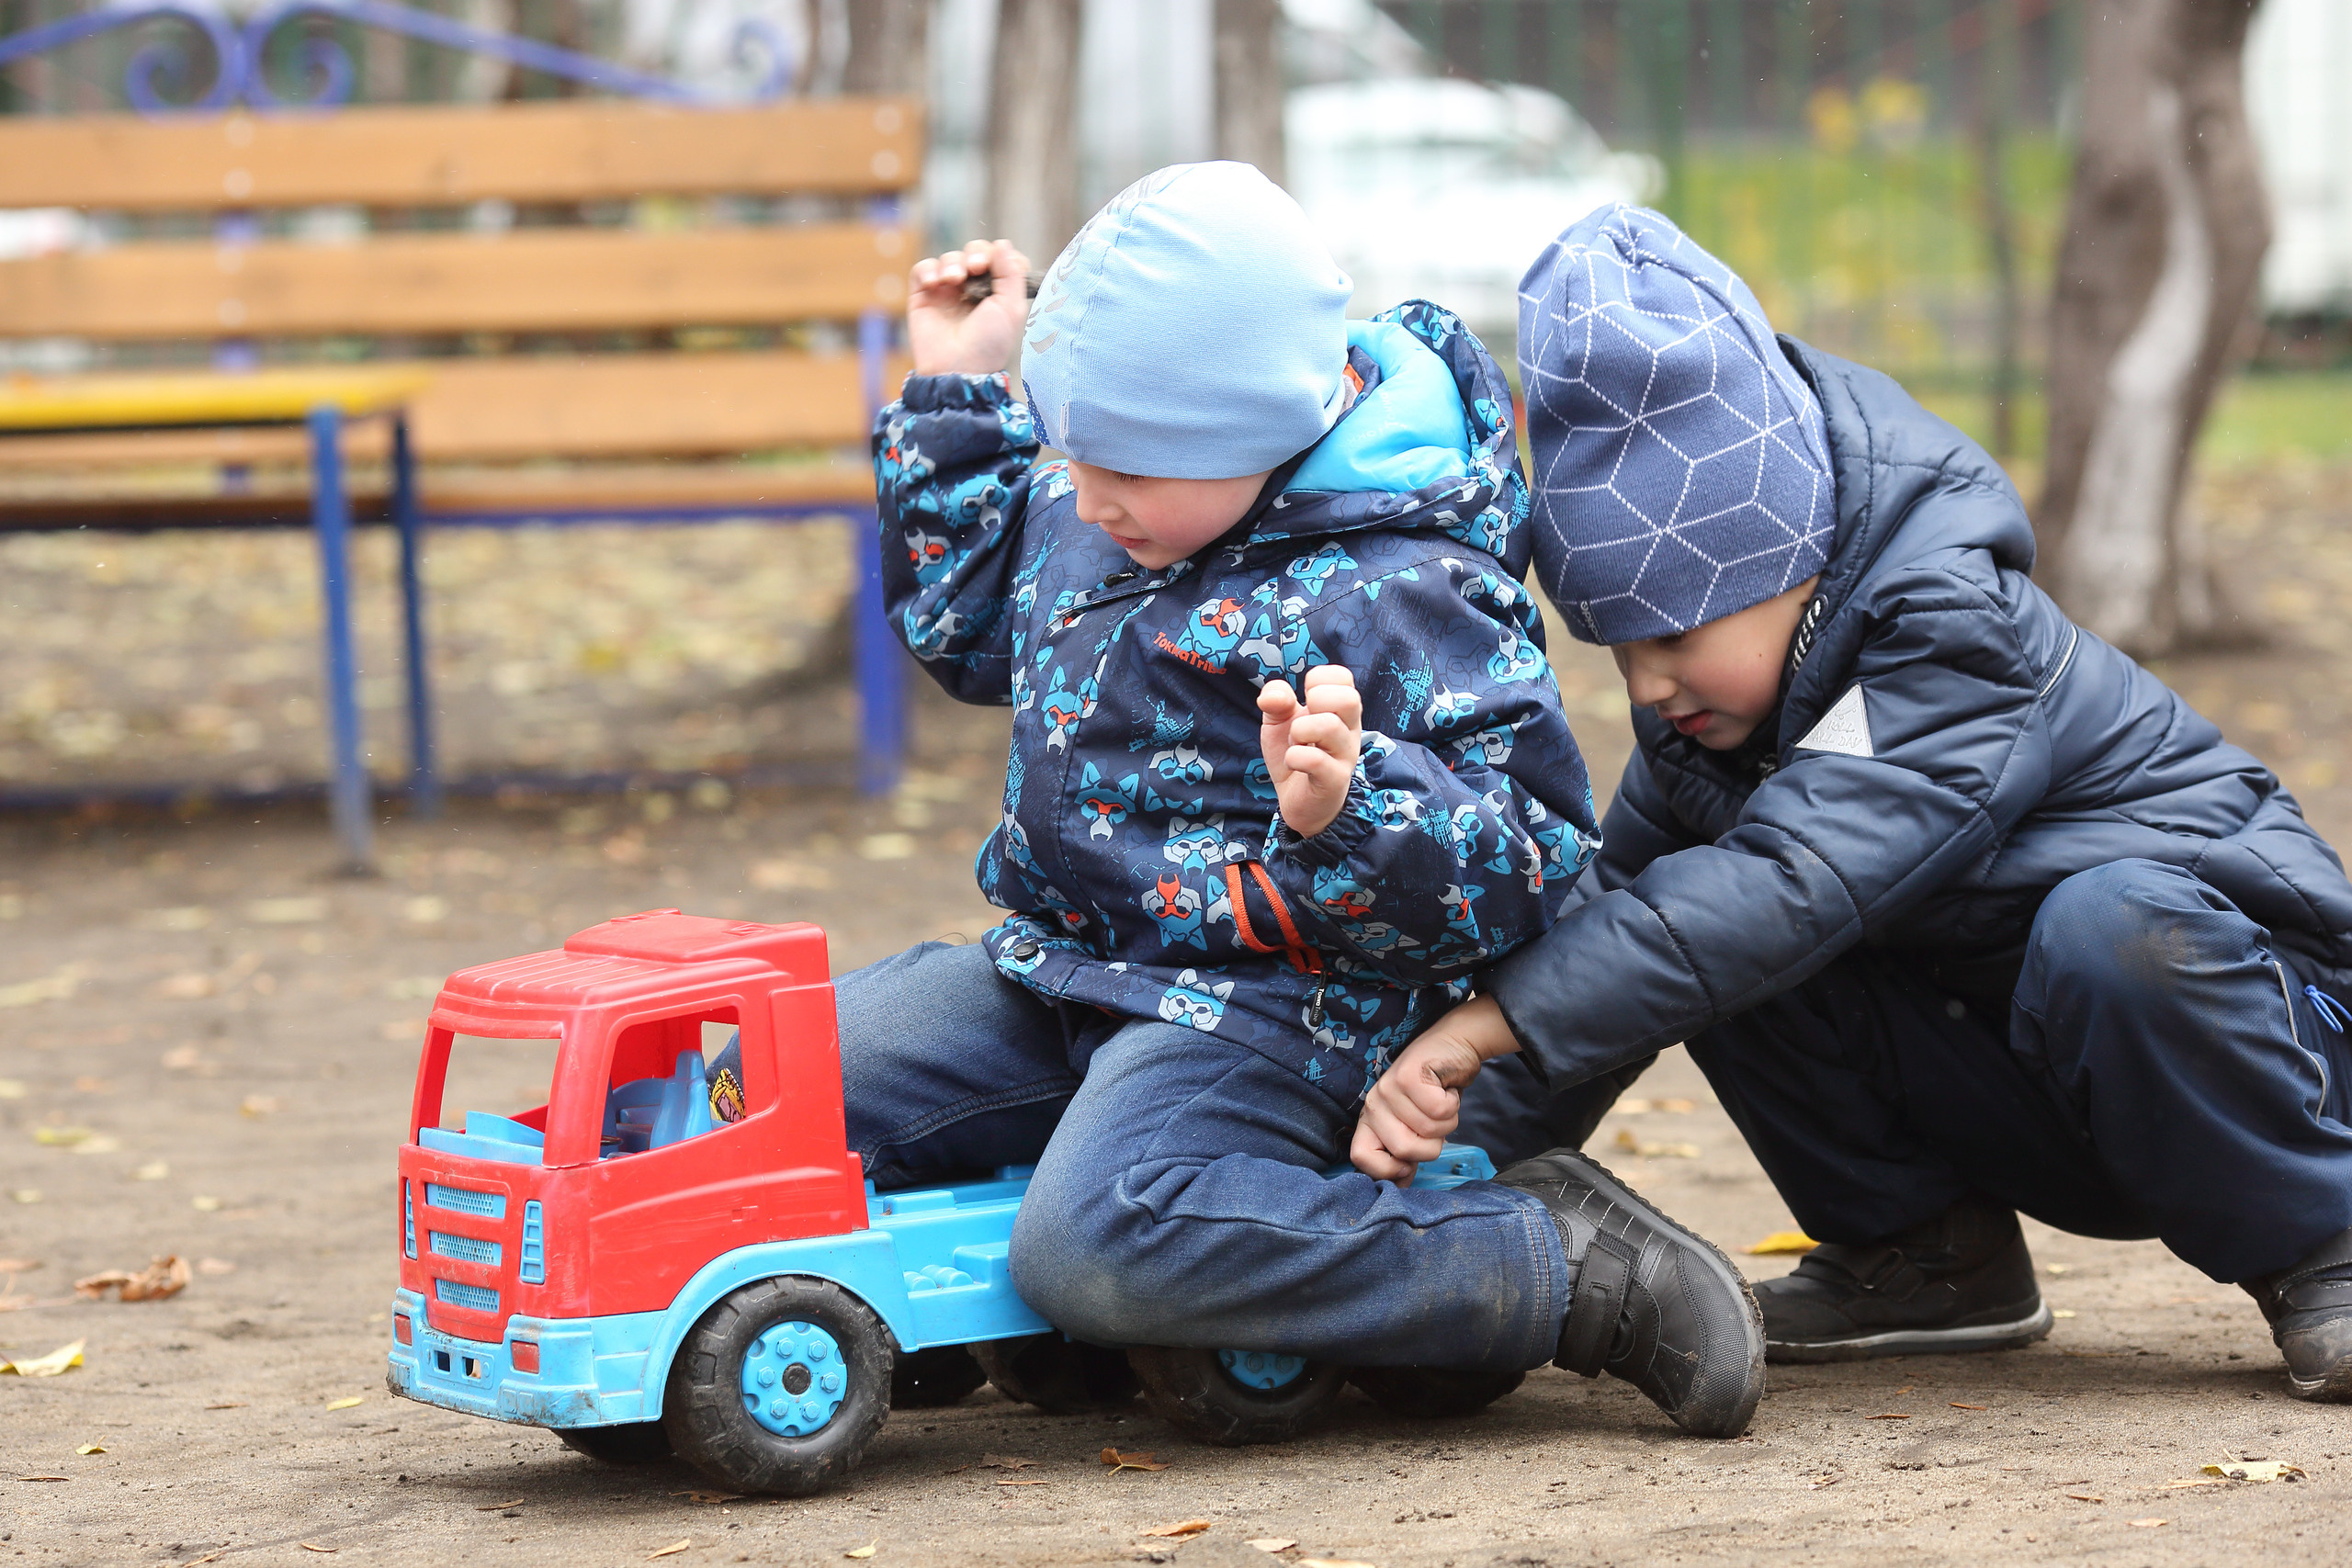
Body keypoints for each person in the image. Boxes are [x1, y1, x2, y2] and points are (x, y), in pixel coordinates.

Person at [1355, 203, 2352, 1404]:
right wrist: (1406, 1182)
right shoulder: (1717, 738)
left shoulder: (1952, 638)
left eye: (1673, 632)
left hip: (2266, 1045)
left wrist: (1492, 1018)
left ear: (1793, 560)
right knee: (1674, 922)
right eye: (1616, 648)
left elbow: (1790, 883)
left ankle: (2325, 1244)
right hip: (2045, 1070)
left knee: (2097, 926)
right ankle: (1926, 1255)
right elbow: (1617, 931)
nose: (1646, 684)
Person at [836, 164, 1764, 1436]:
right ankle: (907, 1310)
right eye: (1071, 450)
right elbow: (971, 634)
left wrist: (1357, 813)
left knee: (1099, 1241)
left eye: (1131, 464)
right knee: (808, 1068)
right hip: (1063, 971)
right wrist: (958, 392)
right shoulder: (1115, 512)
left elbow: (1536, 856)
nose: (1089, 496)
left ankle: (1546, 1262)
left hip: (1276, 1015)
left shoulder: (1398, 582)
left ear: (1265, 420)